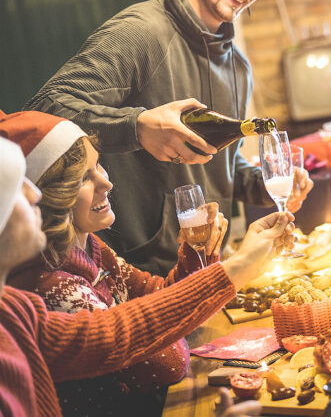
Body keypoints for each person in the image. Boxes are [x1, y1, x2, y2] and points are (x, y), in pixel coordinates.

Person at [24, 0, 312, 275]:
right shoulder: (141, 33)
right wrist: (138, 127)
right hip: (137, 278)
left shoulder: (237, 65)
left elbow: (219, 163)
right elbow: (42, 112)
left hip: (203, 272)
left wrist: (265, 187)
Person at [0, 134, 295, 417]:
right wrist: (235, 269)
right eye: (14, 188)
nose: (33, 194)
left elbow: (145, 309)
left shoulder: (18, 306)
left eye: (98, 165)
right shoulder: (46, 284)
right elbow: (158, 356)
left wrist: (199, 256)